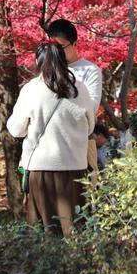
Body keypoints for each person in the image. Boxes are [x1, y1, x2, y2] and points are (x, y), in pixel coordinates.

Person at [6, 42, 92, 237]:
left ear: (38, 61)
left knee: (44, 231)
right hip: (76, 168)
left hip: (41, 170)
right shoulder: (78, 87)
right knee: (75, 229)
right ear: (64, 61)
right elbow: (91, 125)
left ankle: (48, 267)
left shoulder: (31, 89)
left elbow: (15, 129)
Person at [46, 19, 103, 172]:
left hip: (80, 142)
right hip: (48, 147)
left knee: (84, 192)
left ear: (75, 43)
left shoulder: (90, 70)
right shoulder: (46, 73)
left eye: (61, 46)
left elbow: (92, 108)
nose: (56, 51)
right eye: (53, 47)